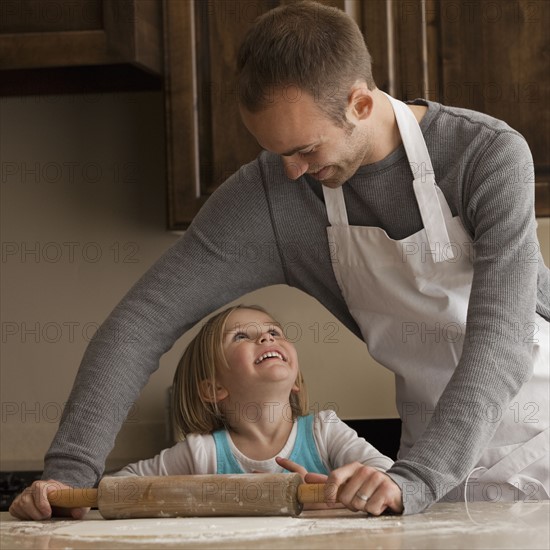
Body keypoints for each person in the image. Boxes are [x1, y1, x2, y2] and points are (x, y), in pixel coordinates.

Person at [12, 0, 549, 517]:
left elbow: (501, 338)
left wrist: (419, 476)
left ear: (360, 104)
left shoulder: (485, 155)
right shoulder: (272, 196)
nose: (291, 171)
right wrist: (70, 473)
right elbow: (140, 323)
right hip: (428, 458)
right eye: (277, 152)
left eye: (305, 150)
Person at [10, 305, 396, 519]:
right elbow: (121, 490)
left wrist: (340, 491)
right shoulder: (202, 454)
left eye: (274, 332)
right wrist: (56, 495)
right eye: (241, 336)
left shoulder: (324, 432)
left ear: (294, 380)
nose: (266, 337)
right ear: (214, 388)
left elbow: (393, 480)